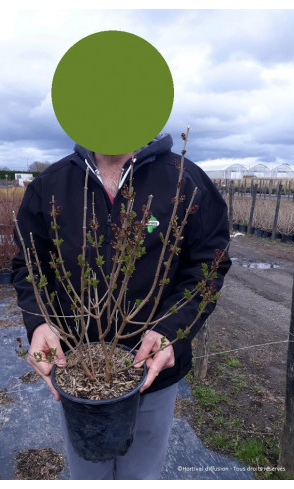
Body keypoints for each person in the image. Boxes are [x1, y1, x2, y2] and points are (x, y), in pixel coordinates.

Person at [12, 133, 231, 480]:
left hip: (153, 373)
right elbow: (29, 265)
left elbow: (209, 263)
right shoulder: (49, 186)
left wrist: (170, 331)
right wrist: (40, 324)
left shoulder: (184, 181)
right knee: (88, 476)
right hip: (78, 370)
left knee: (140, 477)